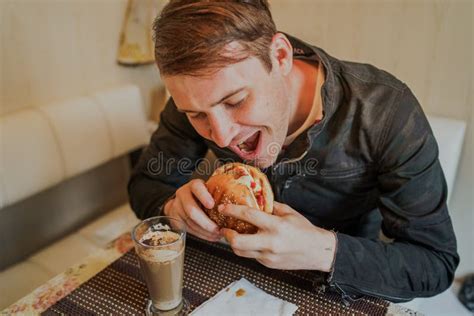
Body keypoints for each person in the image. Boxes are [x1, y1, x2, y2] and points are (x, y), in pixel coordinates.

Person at [128, 0, 459, 303]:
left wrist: (322, 250)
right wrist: (173, 208)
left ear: (281, 56)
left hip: (336, 290)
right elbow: (144, 185)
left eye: (236, 101)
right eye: (197, 115)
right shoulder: (198, 96)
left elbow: (434, 264)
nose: (223, 135)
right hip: (226, 282)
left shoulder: (387, 113)